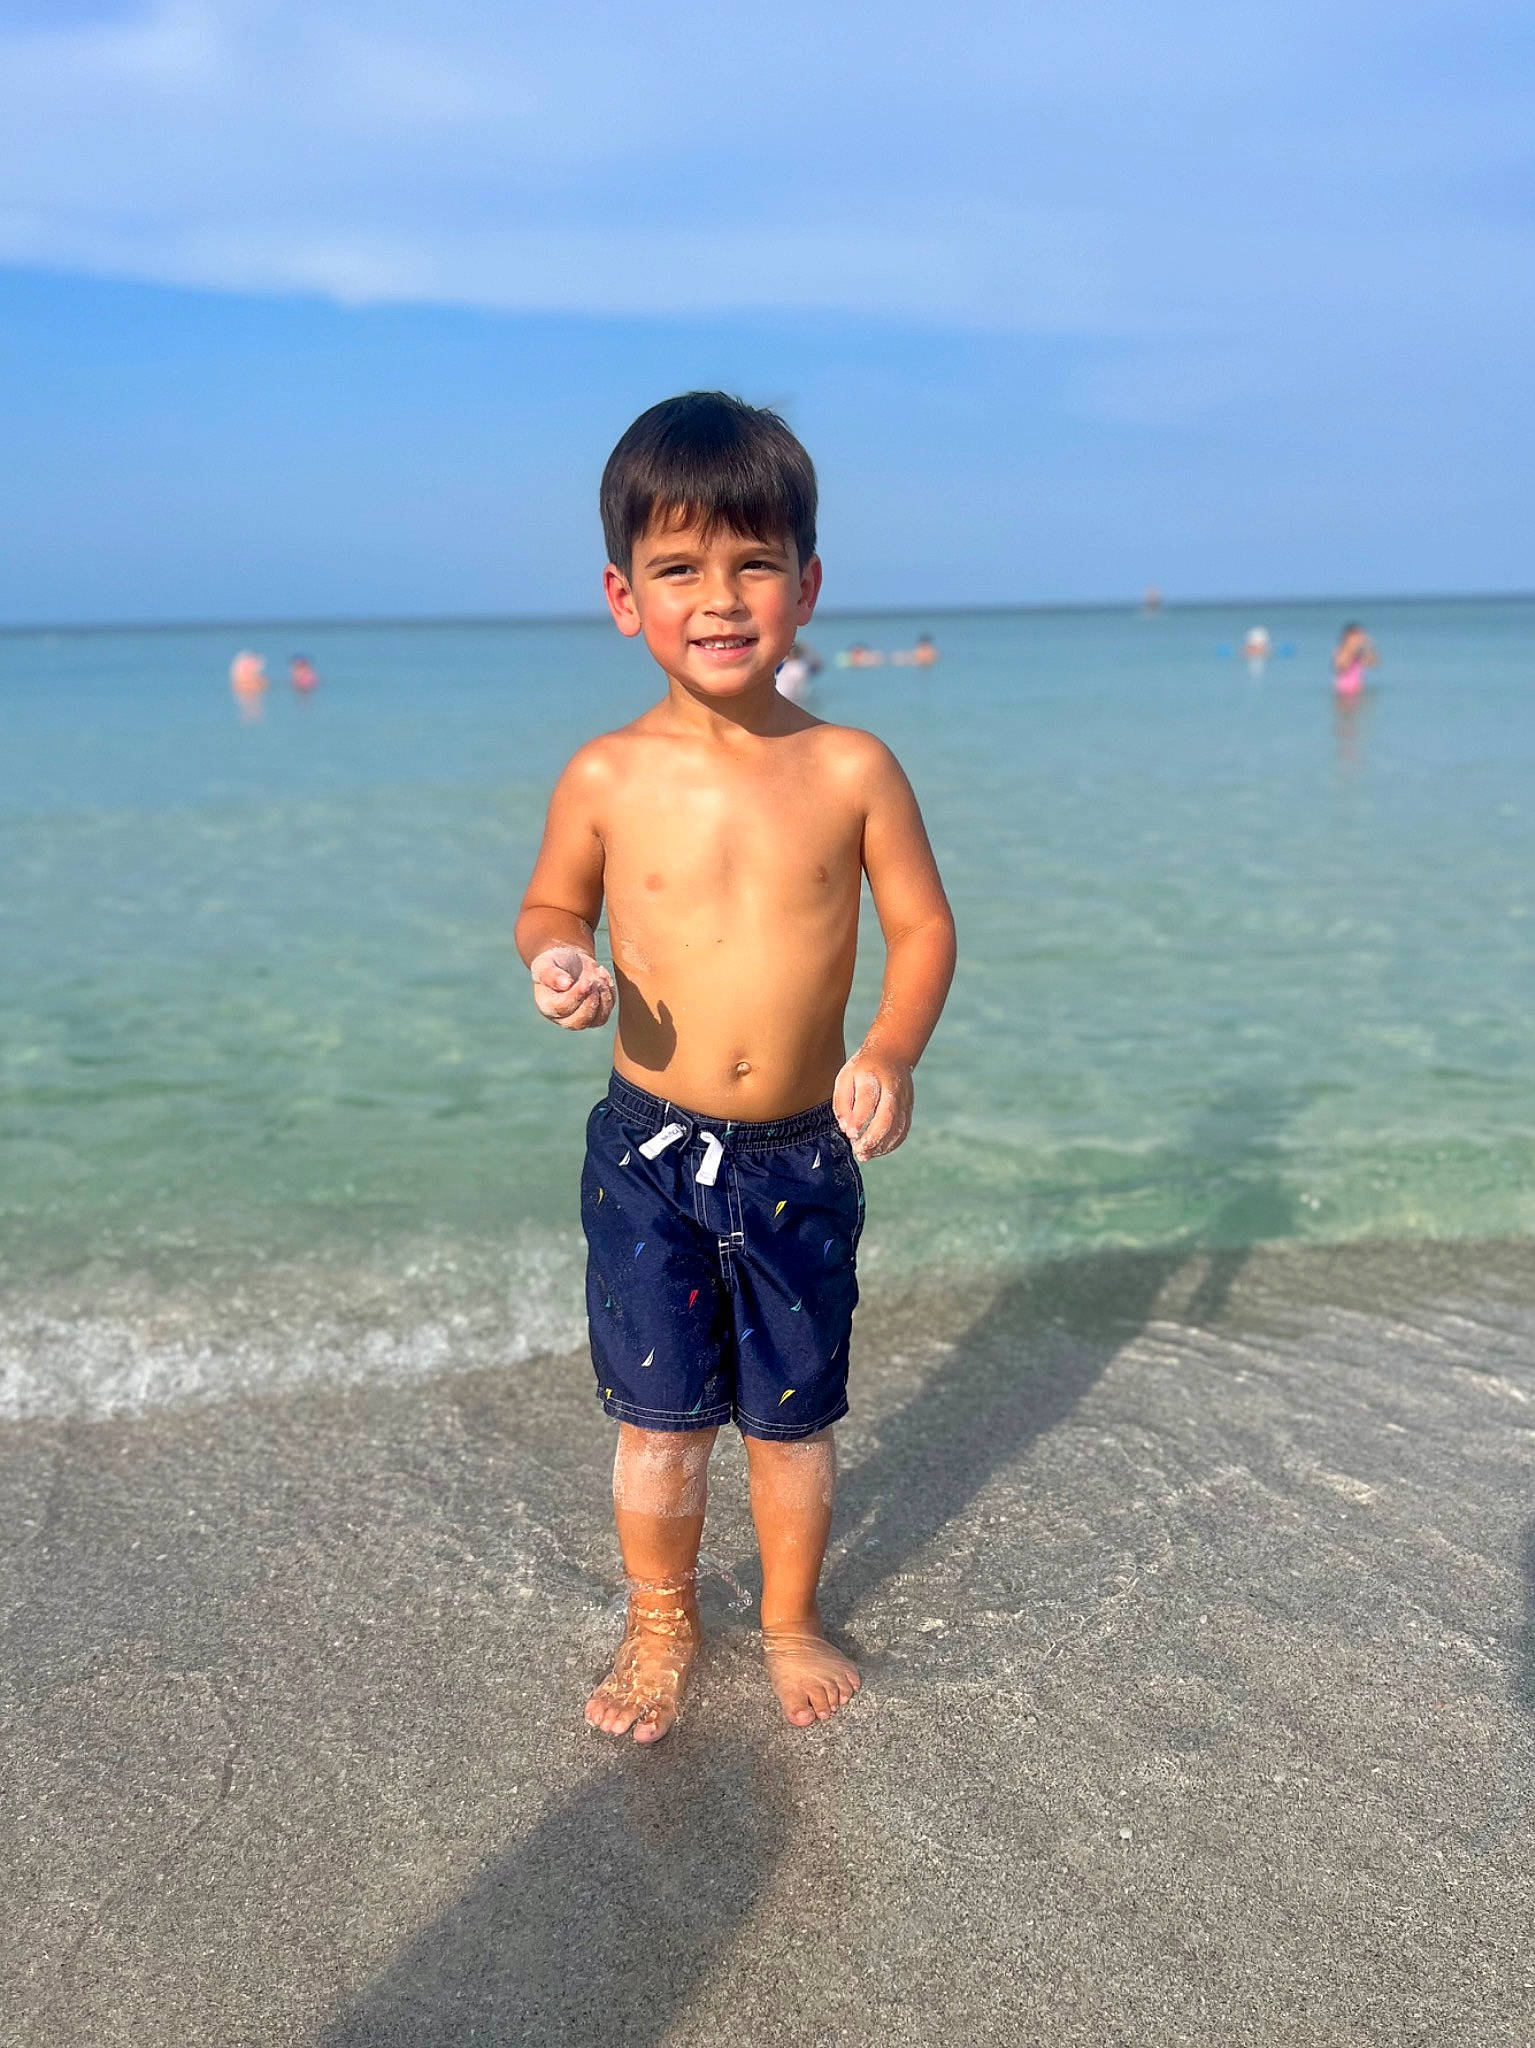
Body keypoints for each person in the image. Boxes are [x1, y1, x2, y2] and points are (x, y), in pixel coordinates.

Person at [516, 392, 956, 1743]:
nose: (719, 596)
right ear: (620, 595)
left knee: (792, 1416)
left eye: (754, 563)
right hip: (649, 1148)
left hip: (799, 1154)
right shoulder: (603, 773)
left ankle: (784, 1617)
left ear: (807, 584)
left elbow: (924, 927)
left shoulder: (848, 767)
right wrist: (555, 966)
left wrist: (887, 1049)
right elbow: (550, 908)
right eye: (678, 568)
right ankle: (658, 1622)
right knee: (658, 1416)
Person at [1332, 622, 1378, 697]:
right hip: (1343, 692)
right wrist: (1352, 650)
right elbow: (1341, 667)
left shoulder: (1359, 652)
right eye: (1356, 637)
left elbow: (1374, 663)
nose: (1358, 640)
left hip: (1358, 691)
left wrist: (1369, 646)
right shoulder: (1341, 651)